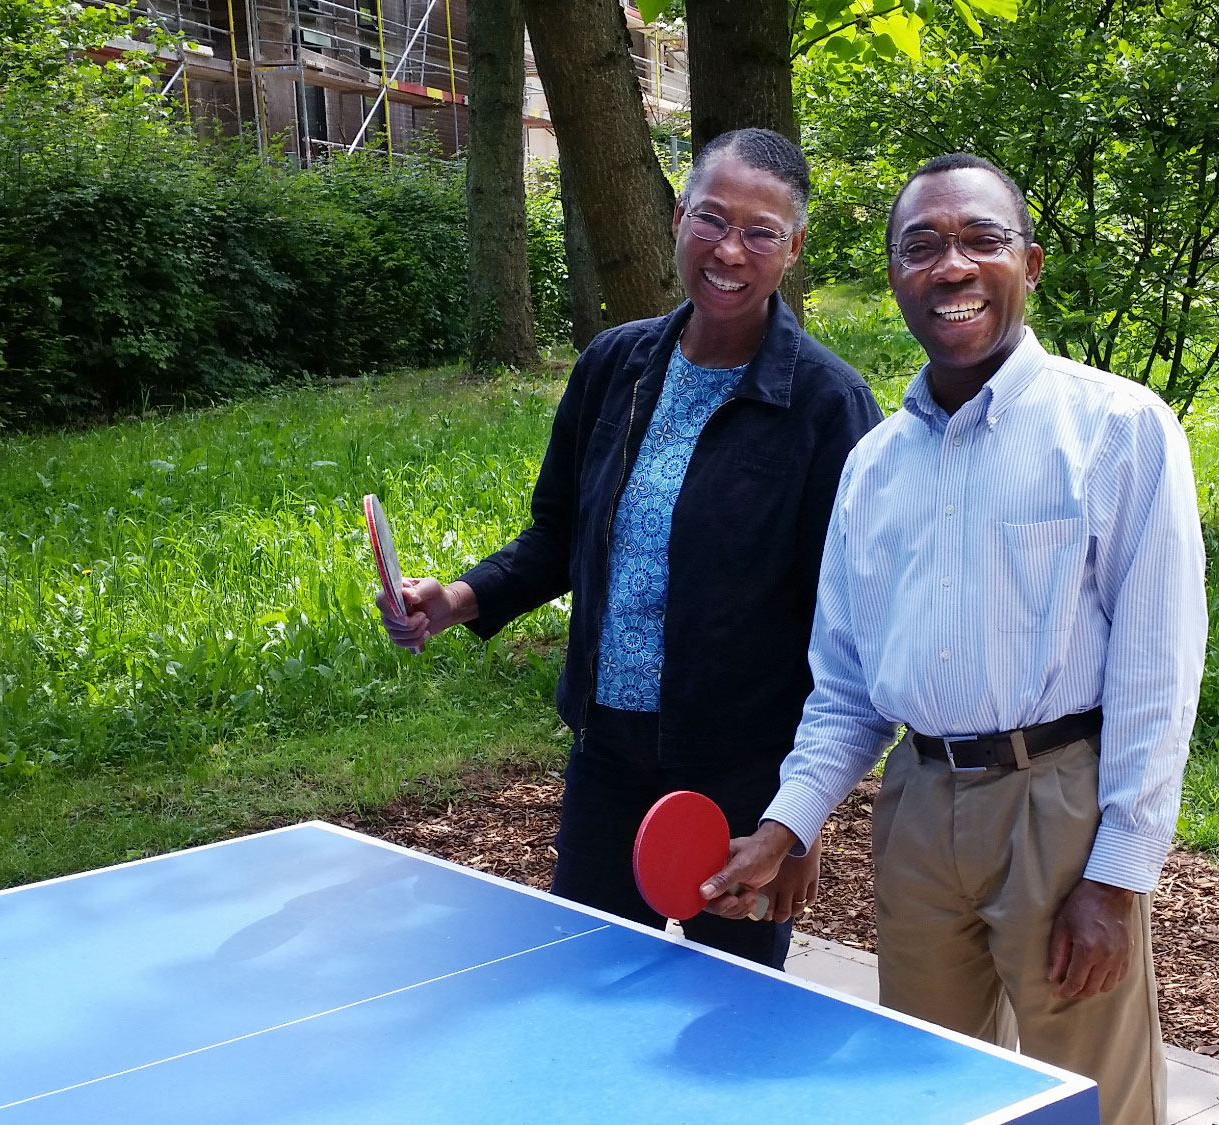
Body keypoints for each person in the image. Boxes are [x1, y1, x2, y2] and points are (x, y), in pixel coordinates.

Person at [701, 153, 1207, 1125]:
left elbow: (1156, 671)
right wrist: (784, 825)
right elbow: (845, 688)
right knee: (929, 1097)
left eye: (980, 239)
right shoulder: (872, 469)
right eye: (920, 245)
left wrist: (1116, 874)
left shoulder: (1117, 431)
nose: (951, 266)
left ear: (1030, 259)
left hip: (1057, 808)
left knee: (1091, 1106)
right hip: (919, 811)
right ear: (891, 274)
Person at [377, 128, 882, 970]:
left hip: (745, 780)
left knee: (729, 1018)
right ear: (678, 216)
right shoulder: (616, 363)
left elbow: (845, 630)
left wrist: (801, 822)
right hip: (607, 753)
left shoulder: (829, 404)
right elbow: (560, 532)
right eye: (711, 219)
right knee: (588, 981)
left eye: (761, 232)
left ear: (793, 248)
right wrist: (458, 597)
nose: (730, 249)